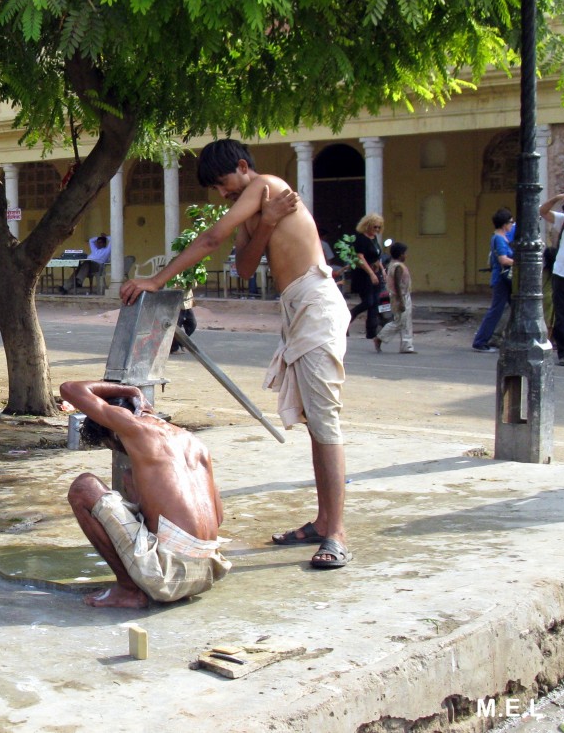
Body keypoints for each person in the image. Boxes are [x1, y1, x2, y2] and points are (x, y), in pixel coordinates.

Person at [120, 138, 352, 570]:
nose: (222, 195)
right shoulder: (260, 207)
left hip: (316, 303)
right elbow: (245, 267)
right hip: (295, 308)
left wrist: (157, 279)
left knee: (325, 419)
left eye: (223, 185)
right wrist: (265, 224)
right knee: (314, 421)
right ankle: (323, 522)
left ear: (243, 167)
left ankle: (336, 532)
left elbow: (212, 238)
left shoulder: (266, 186)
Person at [60, 379, 230, 608]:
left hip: (167, 577)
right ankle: (147, 573)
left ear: (114, 430)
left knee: (84, 487)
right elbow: (218, 517)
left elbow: (70, 389)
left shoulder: (133, 426)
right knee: (131, 478)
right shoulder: (194, 442)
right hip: (208, 571)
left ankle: (128, 590)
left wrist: (131, 390)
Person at [540, 190, 564, 366]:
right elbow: (543, 211)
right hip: (561, 274)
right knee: (562, 315)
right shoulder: (563, 221)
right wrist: (558, 198)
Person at [472, 207, 515, 353]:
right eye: (510, 222)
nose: (511, 224)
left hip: (504, 278)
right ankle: (480, 341)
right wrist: (520, 262)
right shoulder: (499, 238)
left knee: (514, 309)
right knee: (496, 310)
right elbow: (503, 259)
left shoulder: (501, 237)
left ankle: (508, 338)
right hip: (501, 279)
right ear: (504, 224)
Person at [346, 214, 385, 341]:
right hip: (364, 274)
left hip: (375, 272)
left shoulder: (374, 238)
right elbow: (360, 258)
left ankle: (371, 333)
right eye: (375, 227)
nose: (377, 229)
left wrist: (382, 270)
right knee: (368, 302)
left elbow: (376, 257)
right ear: (368, 225)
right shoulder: (361, 239)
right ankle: (346, 319)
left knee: (375, 303)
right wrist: (371, 274)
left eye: (379, 227)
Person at [373, 242, 415, 354]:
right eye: (405, 253)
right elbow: (397, 284)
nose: (406, 256)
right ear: (400, 254)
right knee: (400, 322)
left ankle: (407, 346)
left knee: (406, 322)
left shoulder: (394, 264)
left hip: (403, 295)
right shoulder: (398, 267)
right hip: (400, 296)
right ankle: (380, 338)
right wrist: (401, 301)